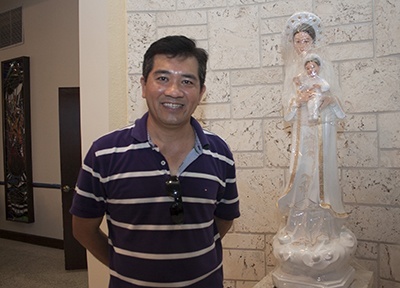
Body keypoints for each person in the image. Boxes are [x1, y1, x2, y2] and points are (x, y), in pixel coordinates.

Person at [70, 35, 240, 288]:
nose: (174, 91)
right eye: (162, 78)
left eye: (187, 81)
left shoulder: (219, 152)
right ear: (143, 85)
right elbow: (83, 229)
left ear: (201, 92)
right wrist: (123, 264)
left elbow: (222, 221)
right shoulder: (104, 153)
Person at [293, 54, 330, 122]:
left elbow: (327, 86)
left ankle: (315, 114)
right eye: (308, 68)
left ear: (318, 67)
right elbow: (303, 87)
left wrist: (320, 86)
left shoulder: (320, 80)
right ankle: (311, 115)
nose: (310, 70)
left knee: (315, 103)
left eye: (313, 67)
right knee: (310, 104)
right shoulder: (308, 80)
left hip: (318, 96)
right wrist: (299, 85)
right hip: (310, 96)